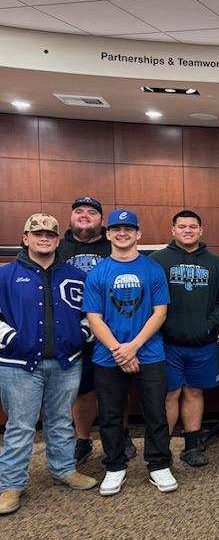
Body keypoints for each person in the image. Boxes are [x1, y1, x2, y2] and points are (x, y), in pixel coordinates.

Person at [0, 214, 98, 515]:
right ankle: (11, 485)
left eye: (50, 235)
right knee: (20, 426)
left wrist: (81, 335)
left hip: (66, 363)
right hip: (18, 365)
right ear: (25, 238)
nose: (44, 238)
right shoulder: (6, 275)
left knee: (61, 420)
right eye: (37, 233)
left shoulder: (76, 276)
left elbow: (91, 314)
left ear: (58, 240)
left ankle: (64, 469)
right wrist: (11, 339)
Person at [83, 209, 176, 496]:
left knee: (156, 412)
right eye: (116, 229)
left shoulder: (153, 269)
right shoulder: (98, 272)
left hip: (149, 353)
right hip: (107, 355)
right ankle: (114, 466)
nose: (122, 233)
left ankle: (159, 464)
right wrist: (118, 350)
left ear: (138, 234)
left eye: (128, 229)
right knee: (110, 415)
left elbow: (160, 313)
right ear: (108, 234)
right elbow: (94, 318)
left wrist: (133, 347)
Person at [59, 197, 136, 465]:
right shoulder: (59, 247)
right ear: (71, 217)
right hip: (72, 330)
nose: (84, 215)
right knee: (81, 390)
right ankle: (83, 439)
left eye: (91, 212)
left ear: (102, 221)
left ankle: (122, 434)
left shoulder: (114, 243)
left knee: (117, 388)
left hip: (111, 330)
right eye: (78, 211)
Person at [150, 210, 219, 467]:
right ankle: (161, 450)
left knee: (194, 391)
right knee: (170, 394)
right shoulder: (157, 261)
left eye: (192, 226)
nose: (187, 230)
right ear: (173, 230)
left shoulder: (216, 263)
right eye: (182, 226)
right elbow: (149, 300)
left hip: (203, 343)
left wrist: (210, 325)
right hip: (167, 343)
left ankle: (192, 447)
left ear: (201, 230)